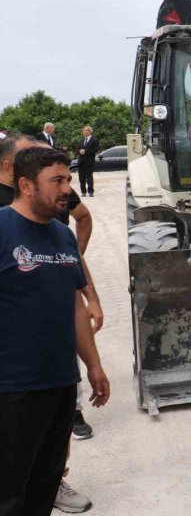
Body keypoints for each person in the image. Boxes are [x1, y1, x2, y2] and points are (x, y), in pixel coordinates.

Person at [0, 146, 110, 516]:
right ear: (26, 185)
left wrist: (93, 365)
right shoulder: (2, 229)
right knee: (8, 492)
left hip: (61, 382)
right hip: (13, 388)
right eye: (57, 181)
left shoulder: (63, 236)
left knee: (44, 486)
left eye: (69, 179)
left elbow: (74, 305)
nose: (66, 189)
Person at [76, 126, 99, 197]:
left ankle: (91, 192)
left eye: (85, 130)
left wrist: (85, 151)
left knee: (89, 178)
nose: (83, 132)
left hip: (89, 162)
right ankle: (83, 192)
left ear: (89, 131)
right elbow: (77, 149)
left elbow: (96, 150)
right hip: (81, 162)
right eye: (83, 130)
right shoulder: (81, 140)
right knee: (81, 178)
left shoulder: (94, 140)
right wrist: (79, 151)